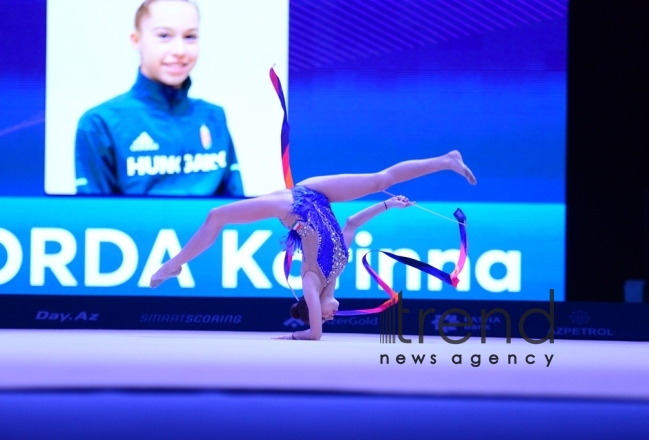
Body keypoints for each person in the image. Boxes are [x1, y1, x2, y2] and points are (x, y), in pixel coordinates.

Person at [150, 150, 477, 340]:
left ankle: (174, 263)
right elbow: (350, 225)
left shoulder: (310, 280)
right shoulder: (336, 271)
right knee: (382, 184)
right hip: (317, 195)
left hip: (291, 204)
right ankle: (447, 160)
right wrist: (388, 206)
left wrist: (293, 334)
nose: (333, 316)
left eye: (326, 316)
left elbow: (314, 334)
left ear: (313, 308)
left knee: (217, 214)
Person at [74, 0, 243, 196]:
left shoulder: (213, 117)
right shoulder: (100, 123)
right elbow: (91, 217)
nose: (179, 51)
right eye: (164, 36)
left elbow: (238, 211)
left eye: (190, 36)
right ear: (136, 40)